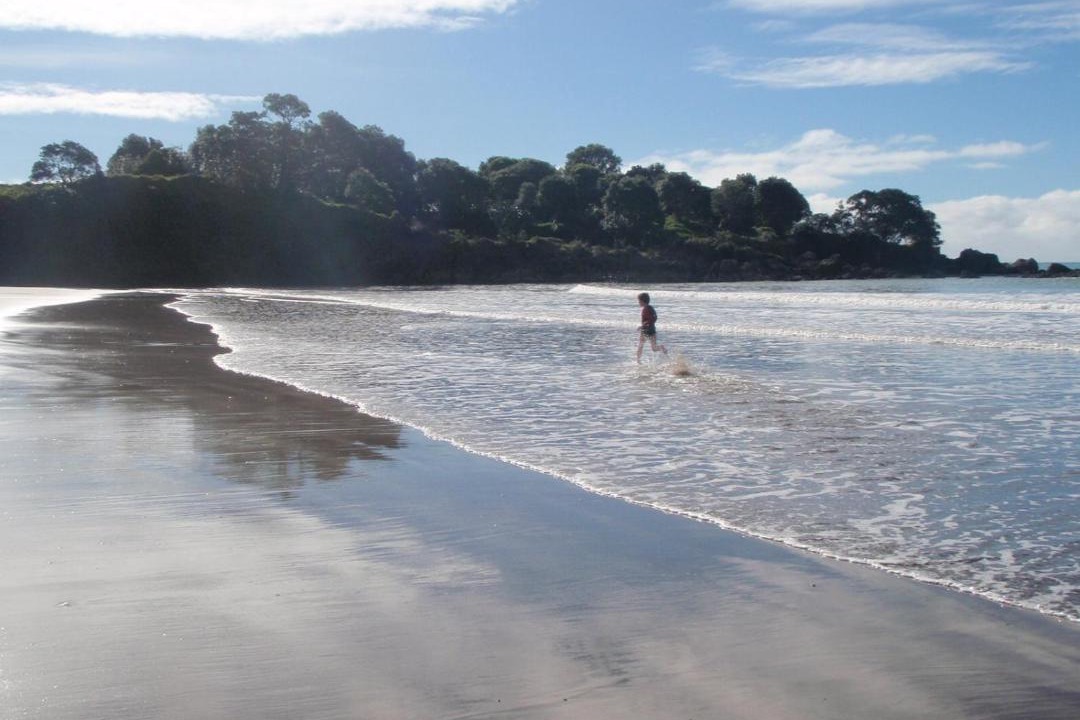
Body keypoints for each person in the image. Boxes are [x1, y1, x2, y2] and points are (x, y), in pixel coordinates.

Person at [636, 292, 668, 363]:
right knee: (654, 348)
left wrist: (642, 326)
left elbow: (649, 320)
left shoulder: (645, 309)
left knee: (640, 345)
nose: (638, 303)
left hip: (645, 330)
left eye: (639, 301)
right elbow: (655, 318)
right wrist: (649, 325)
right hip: (652, 330)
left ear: (642, 301)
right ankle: (662, 347)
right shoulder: (651, 308)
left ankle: (638, 361)